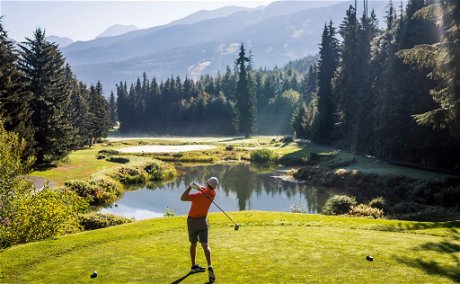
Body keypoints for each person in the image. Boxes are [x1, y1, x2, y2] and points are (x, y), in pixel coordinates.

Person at [181, 176, 219, 282]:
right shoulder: (213, 194)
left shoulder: (198, 196)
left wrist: (190, 187)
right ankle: (210, 265)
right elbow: (206, 189)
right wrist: (198, 187)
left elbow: (183, 198)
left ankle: (194, 267)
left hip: (192, 221)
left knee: (193, 243)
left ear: (207, 183)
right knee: (205, 245)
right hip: (203, 222)